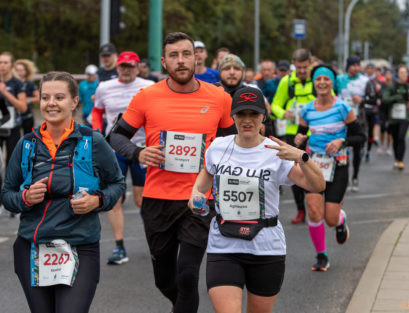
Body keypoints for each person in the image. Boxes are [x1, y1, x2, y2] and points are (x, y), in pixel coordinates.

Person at [108, 32, 234, 313]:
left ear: (196, 57)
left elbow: (232, 143)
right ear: (164, 62)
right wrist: (138, 153)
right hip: (157, 199)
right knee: (165, 279)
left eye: (186, 54)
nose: (181, 61)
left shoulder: (218, 98)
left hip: (199, 198)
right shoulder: (146, 97)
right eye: (174, 56)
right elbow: (116, 136)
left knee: (188, 275)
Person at [189, 86, 325, 313]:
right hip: (224, 243)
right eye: (241, 114)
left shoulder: (276, 151)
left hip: (266, 247)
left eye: (254, 114)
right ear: (233, 116)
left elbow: (317, 185)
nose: (247, 120)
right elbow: (205, 177)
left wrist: (302, 158)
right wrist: (195, 195)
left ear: (263, 116)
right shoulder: (219, 147)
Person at [1, 71, 125, 313]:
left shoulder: (94, 141)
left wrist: (97, 200)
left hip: (80, 244)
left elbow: (117, 184)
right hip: (32, 246)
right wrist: (24, 198)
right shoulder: (26, 143)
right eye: (46, 97)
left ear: (74, 102)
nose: (51, 103)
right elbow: (7, 194)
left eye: (59, 97)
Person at [295, 65, 366, 271]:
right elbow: (300, 137)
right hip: (314, 165)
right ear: (314, 83)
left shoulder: (343, 108)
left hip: (338, 165)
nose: (322, 83)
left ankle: (341, 220)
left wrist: (341, 141)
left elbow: (359, 137)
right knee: (314, 211)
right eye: (318, 79)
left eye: (326, 79)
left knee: (330, 218)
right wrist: (299, 139)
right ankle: (321, 255)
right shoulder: (307, 110)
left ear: (332, 83)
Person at [93, 51, 155, 265]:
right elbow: (97, 110)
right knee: (115, 198)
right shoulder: (104, 87)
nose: (126, 70)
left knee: (142, 200)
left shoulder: (148, 85)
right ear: (117, 67)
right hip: (115, 148)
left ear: (138, 67)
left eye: (130, 66)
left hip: (142, 148)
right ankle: (119, 247)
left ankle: (155, 242)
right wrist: (97, 132)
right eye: (122, 67)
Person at [271, 48, 315, 224]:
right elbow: (274, 105)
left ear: (310, 64)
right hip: (292, 134)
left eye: (305, 67)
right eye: (299, 67)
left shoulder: (318, 80)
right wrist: (283, 113)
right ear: (294, 65)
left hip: (314, 135)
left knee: (315, 171)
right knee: (295, 173)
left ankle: (315, 205)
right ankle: (301, 210)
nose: (302, 71)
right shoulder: (286, 82)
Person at [336, 55, 370, 192]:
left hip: (358, 120)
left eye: (358, 65)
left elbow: (373, 100)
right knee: (343, 149)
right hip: (342, 121)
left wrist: (361, 100)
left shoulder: (365, 80)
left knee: (357, 150)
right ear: (348, 66)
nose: (356, 68)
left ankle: (355, 176)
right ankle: (344, 178)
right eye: (353, 65)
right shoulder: (339, 79)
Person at [382, 65, 409, 171]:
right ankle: (396, 159)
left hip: (405, 117)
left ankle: (401, 160)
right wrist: (394, 98)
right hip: (394, 117)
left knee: (401, 137)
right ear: (398, 74)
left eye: (405, 72)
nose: (404, 74)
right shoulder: (392, 87)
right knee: (396, 139)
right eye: (402, 72)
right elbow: (384, 99)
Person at [0, 52, 27, 166]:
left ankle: (9, 183)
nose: (2, 65)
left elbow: (23, 108)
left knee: (11, 161)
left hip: (13, 128)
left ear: (12, 65)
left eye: (5, 62)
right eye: (0, 62)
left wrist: (4, 92)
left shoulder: (17, 83)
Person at [14, 59, 39, 135]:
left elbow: (38, 97)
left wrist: (27, 100)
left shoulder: (30, 84)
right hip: (14, 117)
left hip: (27, 116)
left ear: (26, 71)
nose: (19, 72)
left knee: (28, 138)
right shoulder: (11, 83)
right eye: (17, 70)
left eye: (21, 70)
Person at [378, 68, 394, 155]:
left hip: (391, 109)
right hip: (383, 109)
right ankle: (381, 145)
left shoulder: (394, 85)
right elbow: (378, 96)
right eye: (386, 74)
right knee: (382, 128)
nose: (388, 76)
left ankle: (388, 147)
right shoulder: (381, 85)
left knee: (390, 130)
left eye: (389, 74)